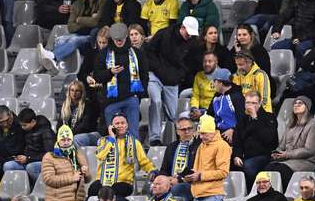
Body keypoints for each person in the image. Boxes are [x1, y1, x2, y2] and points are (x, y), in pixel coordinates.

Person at [145, 16, 199, 145]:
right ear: (182, 28)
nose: (189, 36)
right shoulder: (163, 34)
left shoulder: (192, 43)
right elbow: (149, 53)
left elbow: (190, 64)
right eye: (188, 33)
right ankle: (154, 138)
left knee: (173, 113)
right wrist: (158, 69)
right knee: (156, 101)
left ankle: (178, 139)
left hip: (172, 80)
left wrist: (178, 76)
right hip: (155, 75)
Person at [93, 22, 149, 136]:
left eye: (121, 39)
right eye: (116, 39)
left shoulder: (137, 53)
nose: (119, 42)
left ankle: (133, 154)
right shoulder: (103, 54)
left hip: (131, 99)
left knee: (133, 135)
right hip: (111, 101)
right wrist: (110, 72)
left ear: (126, 37)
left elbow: (144, 75)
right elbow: (97, 76)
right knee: (113, 136)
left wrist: (139, 95)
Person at [41, 125, 91, 201]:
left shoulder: (78, 154)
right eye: (63, 140)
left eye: (69, 139)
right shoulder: (50, 156)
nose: (66, 142)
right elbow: (49, 179)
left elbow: (88, 179)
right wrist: (71, 178)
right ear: (58, 140)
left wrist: (86, 172)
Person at [89, 112, 154, 198]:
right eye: (117, 123)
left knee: (112, 192)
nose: (120, 125)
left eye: (122, 123)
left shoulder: (134, 143)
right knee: (92, 190)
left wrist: (153, 170)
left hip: (123, 182)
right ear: (112, 126)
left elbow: (144, 162)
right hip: (103, 181)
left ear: (127, 125)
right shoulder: (103, 141)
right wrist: (111, 139)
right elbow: (100, 156)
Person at [267, 96, 315, 186]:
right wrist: (277, 153)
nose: (296, 105)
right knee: (269, 167)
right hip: (288, 160)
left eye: (300, 103)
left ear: (307, 107)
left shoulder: (313, 124)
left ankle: (285, 194)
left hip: (306, 161)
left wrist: (287, 154)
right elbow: (282, 146)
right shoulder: (291, 125)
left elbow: (309, 150)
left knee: (281, 170)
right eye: (295, 103)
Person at [231, 90, 278, 185]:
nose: (250, 106)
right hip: (245, 156)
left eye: (254, 103)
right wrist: (237, 155)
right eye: (248, 102)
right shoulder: (242, 120)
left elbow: (270, 140)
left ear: (260, 103)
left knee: (248, 166)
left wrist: (255, 118)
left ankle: (252, 191)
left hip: (263, 155)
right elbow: (237, 141)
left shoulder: (269, 117)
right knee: (228, 165)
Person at [3, 108, 54, 183]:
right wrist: (18, 157)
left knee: (31, 167)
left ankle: (43, 187)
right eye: (21, 125)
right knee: (8, 166)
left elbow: (49, 154)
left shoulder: (46, 131)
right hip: (27, 160)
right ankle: (19, 188)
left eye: (24, 125)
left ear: (33, 121)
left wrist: (28, 158)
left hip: (42, 162)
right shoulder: (26, 130)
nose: (22, 128)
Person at [187, 24, 234, 89]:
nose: (214, 35)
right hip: (200, 82)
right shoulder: (197, 51)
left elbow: (229, 69)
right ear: (205, 37)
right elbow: (192, 69)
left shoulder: (223, 51)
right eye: (210, 33)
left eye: (215, 33)